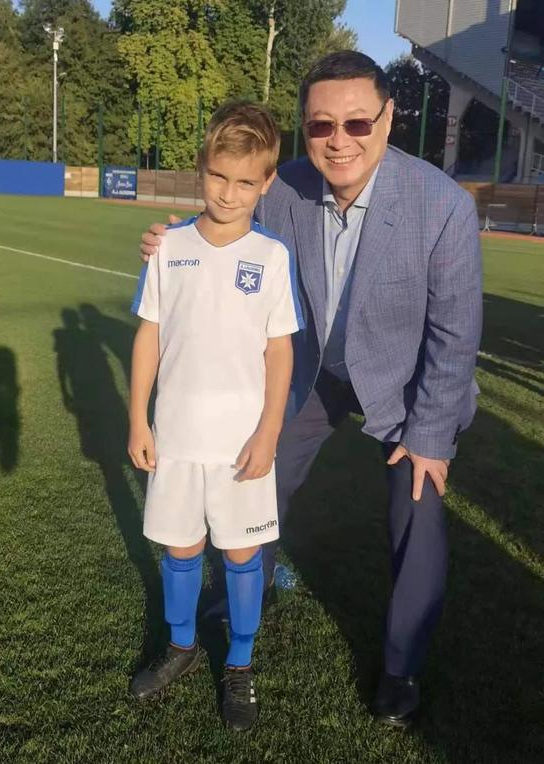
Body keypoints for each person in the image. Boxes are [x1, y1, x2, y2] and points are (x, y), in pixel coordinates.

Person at [138, 51, 483, 727]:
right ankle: (235, 599)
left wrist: (429, 437)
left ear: (388, 118)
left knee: (417, 510)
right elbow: (224, 218)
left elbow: (454, 338)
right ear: (305, 127)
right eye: (322, 124)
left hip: (407, 384)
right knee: (256, 472)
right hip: (315, 372)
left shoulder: (442, 205)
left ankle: (401, 668)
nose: (339, 139)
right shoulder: (287, 186)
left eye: (357, 122)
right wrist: (172, 237)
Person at [127, 100, 304, 732]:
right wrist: (138, 419)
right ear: (201, 169)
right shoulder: (168, 246)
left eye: (245, 182)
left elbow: (279, 350)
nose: (229, 194)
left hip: (241, 444)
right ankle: (180, 646)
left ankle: (240, 663)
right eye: (218, 177)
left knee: (241, 554)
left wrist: (269, 431)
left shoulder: (271, 256)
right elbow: (149, 334)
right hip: (176, 435)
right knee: (181, 549)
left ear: (267, 181)